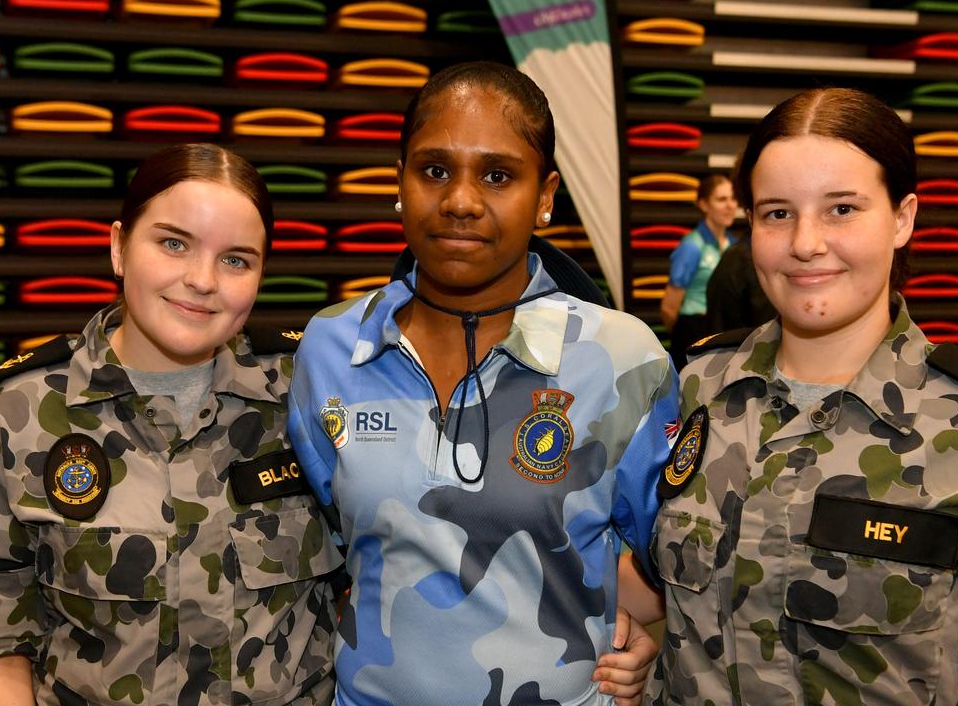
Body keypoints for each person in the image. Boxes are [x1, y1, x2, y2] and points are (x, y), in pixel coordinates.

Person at [633, 87, 958, 704]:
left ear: (903, 218)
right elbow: (648, 577)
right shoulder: (694, 390)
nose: (806, 243)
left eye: (842, 208)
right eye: (776, 213)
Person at [287, 61, 676, 706]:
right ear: (401, 182)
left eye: (498, 175)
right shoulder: (331, 349)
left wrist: (646, 634)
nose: (461, 200)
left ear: (546, 196)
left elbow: (677, 557)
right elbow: (327, 546)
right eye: (434, 170)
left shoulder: (621, 358)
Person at [0, 143, 342, 706]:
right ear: (119, 247)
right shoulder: (16, 416)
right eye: (174, 243)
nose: (202, 279)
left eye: (236, 259)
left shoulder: (313, 396)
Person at [661, 174, 739, 368]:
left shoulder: (734, 246)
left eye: (733, 198)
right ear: (704, 205)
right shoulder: (692, 246)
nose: (730, 205)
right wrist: (686, 334)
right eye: (721, 199)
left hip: (725, 333)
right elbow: (668, 308)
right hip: (694, 331)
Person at [704, 238, 777, 334]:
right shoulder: (750, 257)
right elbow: (765, 323)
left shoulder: (736, 250)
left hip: (723, 337)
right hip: (743, 341)